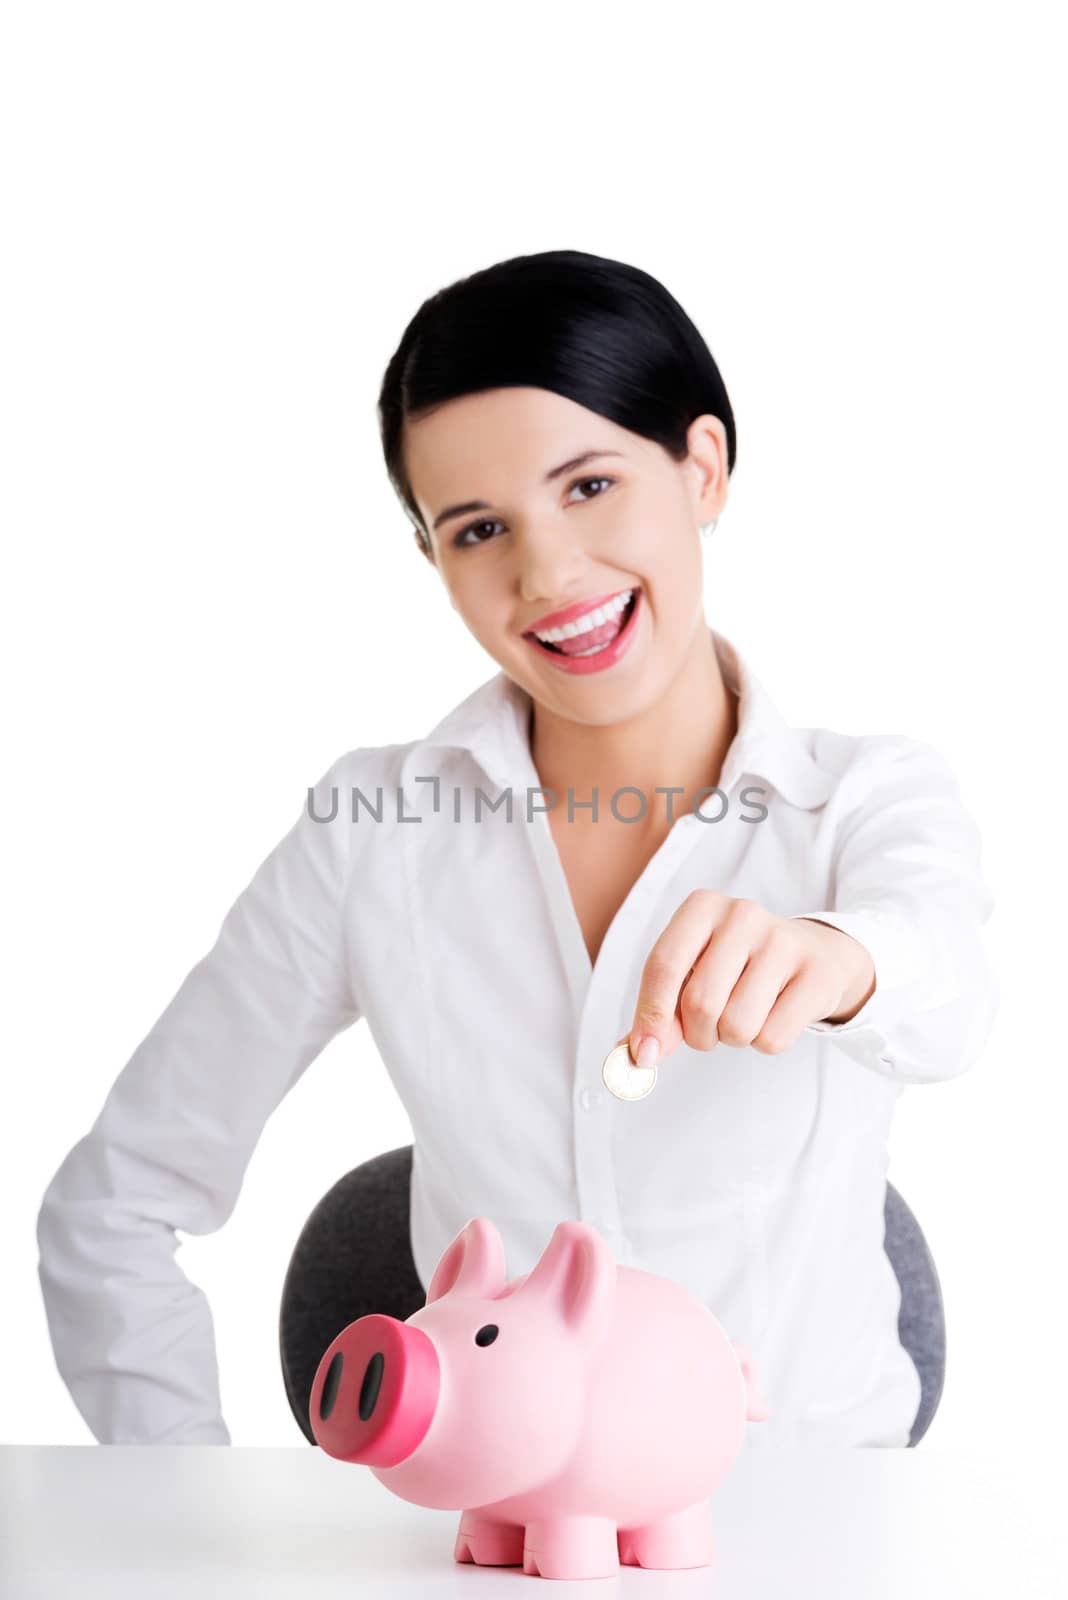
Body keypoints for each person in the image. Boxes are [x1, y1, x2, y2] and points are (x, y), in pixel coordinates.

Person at [36, 248, 997, 1449]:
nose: (546, 574)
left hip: (811, 1530)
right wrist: (185, 1512)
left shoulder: (862, 797)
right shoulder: (369, 833)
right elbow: (113, 1203)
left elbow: (945, 990)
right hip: (487, 1541)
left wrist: (839, 960)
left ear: (701, 468)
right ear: (435, 560)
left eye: (589, 487)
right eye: (479, 527)